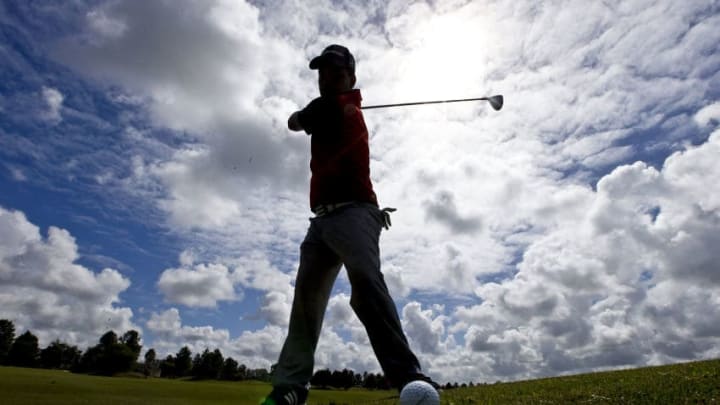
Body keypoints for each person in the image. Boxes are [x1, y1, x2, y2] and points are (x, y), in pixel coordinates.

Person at [261, 45, 438, 405]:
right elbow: (299, 122)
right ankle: (292, 386)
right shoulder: (332, 107)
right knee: (306, 302)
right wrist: (306, 114)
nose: (326, 77)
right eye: (322, 72)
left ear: (351, 77)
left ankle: (409, 378)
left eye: (335, 72)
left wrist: (303, 113)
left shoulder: (336, 107)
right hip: (322, 220)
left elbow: (294, 123)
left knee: (367, 288)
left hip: (355, 213)